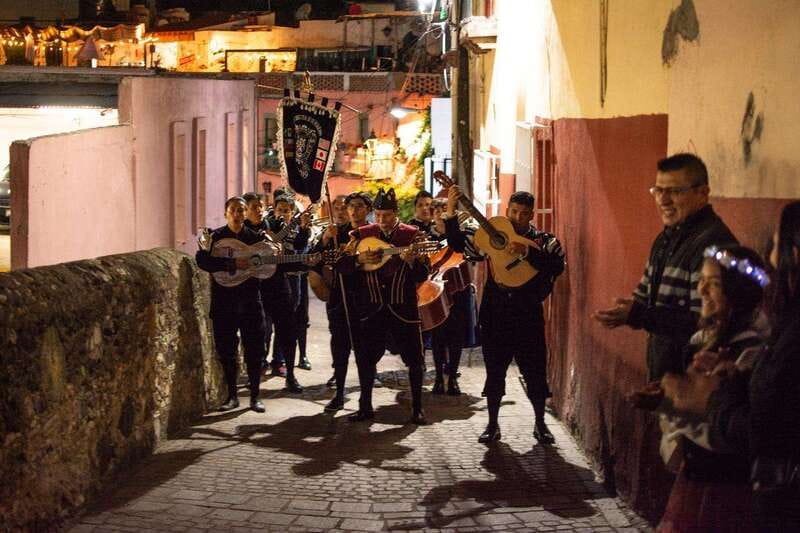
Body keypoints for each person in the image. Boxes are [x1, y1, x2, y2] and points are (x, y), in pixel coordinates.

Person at [662, 201, 800, 531]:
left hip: (736, 488)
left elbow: (764, 427)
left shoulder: (767, 340)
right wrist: (734, 378)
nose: (771, 257)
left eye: (713, 282)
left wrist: (708, 398)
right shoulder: (713, 339)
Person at [639, 246, 768, 532]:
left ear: (737, 291)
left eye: (714, 283)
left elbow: (729, 426)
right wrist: (668, 398)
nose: (702, 290)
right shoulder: (703, 340)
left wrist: (682, 400)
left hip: (726, 486)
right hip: (697, 476)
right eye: (702, 280)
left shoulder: (751, 350)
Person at [593, 153, 738, 381]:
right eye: (658, 190)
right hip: (665, 377)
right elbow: (645, 299)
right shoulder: (664, 240)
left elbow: (706, 322)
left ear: (702, 193)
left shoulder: (712, 244)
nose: (663, 200)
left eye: (675, 191)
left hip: (695, 380)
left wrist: (639, 315)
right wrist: (629, 310)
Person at [445, 186, 565, 444]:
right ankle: (492, 425)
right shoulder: (491, 236)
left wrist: (527, 252)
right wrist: (451, 211)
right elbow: (458, 245)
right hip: (496, 312)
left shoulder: (545, 241)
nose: (518, 217)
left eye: (524, 213)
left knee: (534, 370)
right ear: (507, 211)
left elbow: (557, 266)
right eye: (514, 212)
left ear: (531, 214)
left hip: (528, 313)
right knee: (495, 370)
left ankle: (540, 424)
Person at [335, 187, 430, 425]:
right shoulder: (361, 235)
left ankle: (417, 409)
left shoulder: (413, 235)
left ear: (396, 213)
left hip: (403, 309)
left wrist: (412, 262)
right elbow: (341, 265)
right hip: (371, 309)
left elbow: (423, 274)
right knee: (366, 359)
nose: (382, 220)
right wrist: (358, 260)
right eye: (378, 215)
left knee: (415, 360)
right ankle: (365, 406)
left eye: (386, 215)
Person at [195, 197, 268, 413]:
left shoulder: (257, 238)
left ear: (246, 214)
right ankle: (232, 396)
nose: (237, 214)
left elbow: (269, 266)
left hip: (250, 302)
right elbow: (202, 261)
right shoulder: (214, 237)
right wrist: (232, 263)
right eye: (233, 210)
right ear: (226, 213)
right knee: (226, 350)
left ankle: (255, 397)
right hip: (224, 303)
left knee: (255, 350)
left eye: (241, 210)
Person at [311, 191, 373, 411]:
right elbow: (315, 258)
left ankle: (366, 399)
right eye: (350, 206)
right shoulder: (337, 233)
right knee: (339, 347)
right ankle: (339, 393)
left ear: (368, 210)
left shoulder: (373, 233)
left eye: (359, 206)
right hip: (340, 296)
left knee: (365, 350)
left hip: (366, 298)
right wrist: (325, 240)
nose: (354, 211)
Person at [268, 194, 312, 387]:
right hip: (270, 280)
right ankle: (262, 360)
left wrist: (304, 228)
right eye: (280, 210)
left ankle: (279, 361)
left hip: (292, 280)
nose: (283, 213)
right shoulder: (268, 227)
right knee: (266, 323)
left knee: (286, 323)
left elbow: (300, 248)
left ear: (292, 212)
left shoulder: (297, 230)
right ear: (274, 210)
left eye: (286, 211)